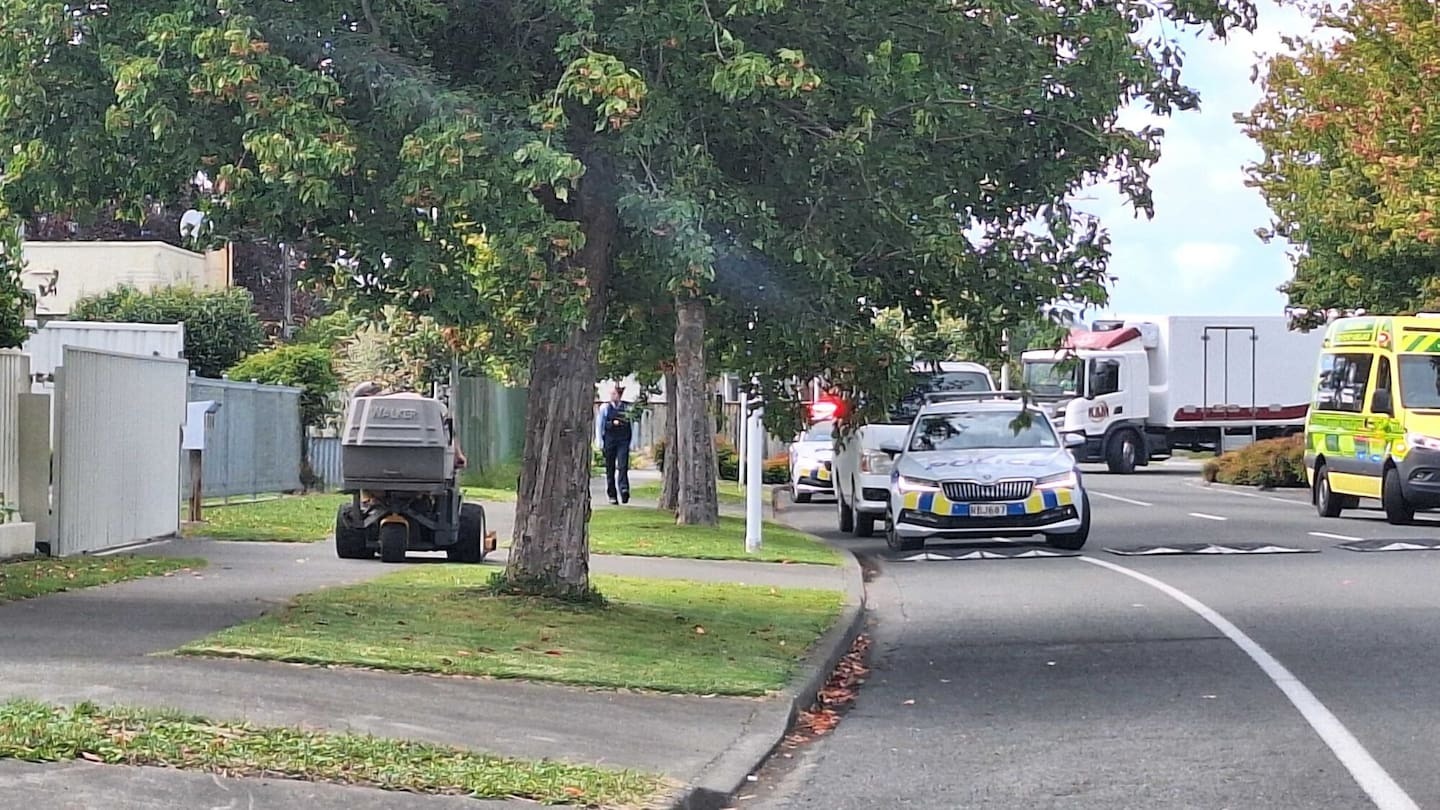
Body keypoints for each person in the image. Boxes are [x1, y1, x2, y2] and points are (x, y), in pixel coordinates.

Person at [351, 381, 467, 472]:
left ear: (365, 396)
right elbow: (448, 427)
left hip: (373, 473)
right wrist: (458, 455)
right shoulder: (417, 399)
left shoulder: (364, 413)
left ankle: (369, 501)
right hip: (425, 470)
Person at [595, 384, 632, 504]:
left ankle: (624, 489)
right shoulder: (605, 408)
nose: (612, 396)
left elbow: (631, 425)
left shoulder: (626, 408)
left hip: (623, 440)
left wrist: (632, 442)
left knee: (622, 466)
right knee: (610, 468)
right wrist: (599, 441)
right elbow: (600, 425)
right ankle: (612, 494)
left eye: (614, 394)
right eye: (611, 394)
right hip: (610, 441)